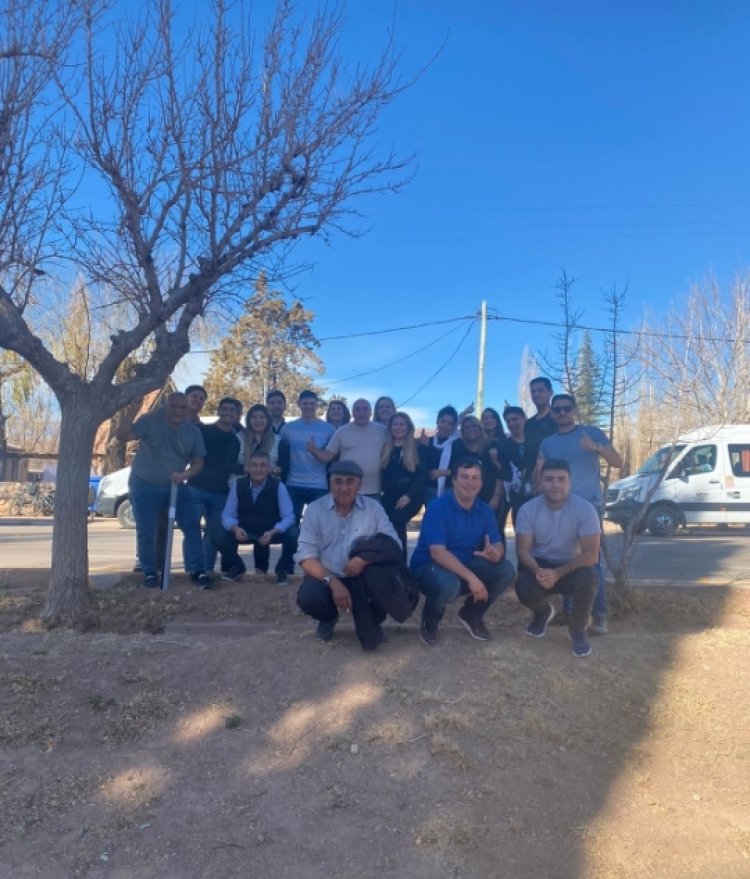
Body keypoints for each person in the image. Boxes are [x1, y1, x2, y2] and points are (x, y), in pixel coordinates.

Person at [295, 460, 412, 650]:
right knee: (309, 598)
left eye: (350, 482)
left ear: (359, 484)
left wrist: (364, 558)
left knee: (379, 580)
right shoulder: (315, 510)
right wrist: (333, 583)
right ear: (329, 483)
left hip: (362, 574)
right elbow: (305, 556)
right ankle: (329, 617)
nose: (344, 487)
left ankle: (373, 622)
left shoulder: (373, 508)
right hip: (328, 576)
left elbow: (394, 543)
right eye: (338, 481)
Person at [538, 392, 623, 635]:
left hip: (588, 504)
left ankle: (600, 617)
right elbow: (542, 470)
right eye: (557, 410)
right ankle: (570, 611)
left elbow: (617, 462)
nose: (562, 413)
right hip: (558, 506)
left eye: (566, 409)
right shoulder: (548, 442)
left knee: (590, 560)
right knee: (565, 557)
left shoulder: (591, 433)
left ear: (574, 410)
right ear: (552, 413)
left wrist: (595, 448)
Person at [410, 457, 516, 646]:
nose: (470, 483)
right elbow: (438, 553)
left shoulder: (485, 510)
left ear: (482, 482)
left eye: (476, 478)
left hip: (465, 563)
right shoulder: (438, 508)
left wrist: (495, 553)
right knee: (449, 585)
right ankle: (431, 619)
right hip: (429, 567)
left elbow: (497, 543)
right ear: (455, 480)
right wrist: (472, 578)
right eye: (465, 477)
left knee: (506, 570)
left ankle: (471, 614)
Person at [117, 392, 210, 588]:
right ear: (166, 406)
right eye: (173, 406)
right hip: (144, 484)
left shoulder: (192, 432)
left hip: (175, 485)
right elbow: (123, 435)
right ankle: (150, 572)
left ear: (187, 410)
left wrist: (185, 475)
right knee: (147, 530)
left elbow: (198, 462)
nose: (177, 411)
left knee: (191, 525)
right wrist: (132, 410)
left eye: (182, 408)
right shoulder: (150, 421)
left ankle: (198, 570)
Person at [514, 459, 600, 658]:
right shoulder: (527, 509)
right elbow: (523, 552)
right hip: (540, 565)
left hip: (570, 566)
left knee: (590, 578)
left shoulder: (585, 510)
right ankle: (543, 612)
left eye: (561, 479)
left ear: (570, 481)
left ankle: (578, 630)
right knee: (522, 584)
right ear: (540, 481)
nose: (555, 485)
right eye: (549, 479)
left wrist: (558, 572)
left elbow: (591, 555)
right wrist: (538, 571)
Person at [212, 450, 298, 585]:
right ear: (248, 468)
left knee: (294, 533)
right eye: (254, 465)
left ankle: (283, 570)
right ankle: (237, 566)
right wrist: (235, 528)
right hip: (246, 530)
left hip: (270, 531)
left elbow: (288, 517)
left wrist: (273, 531)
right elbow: (227, 515)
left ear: (269, 469)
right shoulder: (238, 485)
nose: (258, 469)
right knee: (218, 534)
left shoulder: (278, 486)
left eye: (263, 465)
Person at [187, 397, 242, 573]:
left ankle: (207, 571)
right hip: (196, 487)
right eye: (224, 409)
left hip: (221, 493)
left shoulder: (237, 438)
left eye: (231, 410)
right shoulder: (203, 431)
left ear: (237, 414)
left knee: (212, 535)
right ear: (219, 411)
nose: (227, 413)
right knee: (191, 531)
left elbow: (230, 464)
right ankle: (191, 570)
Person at [307, 398, 386, 498]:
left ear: (370, 412)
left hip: (374, 490)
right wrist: (314, 450)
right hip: (347, 490)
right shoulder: (342, 431)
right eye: (357, 409)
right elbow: (327, 456)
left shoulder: (382, 430)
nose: (361, 412)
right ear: (352, 413)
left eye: (365, 409)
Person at [278, 390, 335, 523]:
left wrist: (314, 450)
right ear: (299, 404)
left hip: (319, 485)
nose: (308, 406)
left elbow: (331, 457)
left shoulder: (328, 429)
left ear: (317, 405)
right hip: (293, 484)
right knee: (290, 527)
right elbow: (281, 455)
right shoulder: (287, 429)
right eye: (305, 403)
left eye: (312, 403)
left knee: (319, 526)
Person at [380, 411, 429, 557]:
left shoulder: (417, 447)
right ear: (390, 427)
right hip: (389, 496)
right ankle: (389, 565)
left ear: (408, 427)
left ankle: (401, 565)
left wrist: (408, 496)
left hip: (411, 496)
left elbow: (422, 475)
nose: (398, 427)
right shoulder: (385, 447)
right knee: (387, 528)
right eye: (395, 424)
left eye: (402, 424)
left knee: (397, 521)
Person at [500, 405, 535, 526]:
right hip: (517, 497)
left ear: (523, 418)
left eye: (514, 419)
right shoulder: (504, 445)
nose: (511, 423)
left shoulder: (536, 441)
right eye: (508, 421)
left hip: (538, 494)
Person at [422, 405, 461, 505]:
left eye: (449, 423)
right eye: (443, 421)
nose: (445, 426)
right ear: (437, 422)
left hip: (450, 490)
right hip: (429, 489)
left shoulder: (458, 444)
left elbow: (462, 467)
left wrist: (443, 472)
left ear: (454, 426)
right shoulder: (428, 442)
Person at [524, 376, 557, 466]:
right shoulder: (528, 424)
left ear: (551, 393)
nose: (536, 394)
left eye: (540, 390)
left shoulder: (557, 419)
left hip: (554, 474)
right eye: (533, 391)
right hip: (532, 477)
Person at [244, 403, 281, 473]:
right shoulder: (238, 438)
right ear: (249, 420)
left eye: (262, 417)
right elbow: (229, 464)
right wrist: (243, 469)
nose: (258, 420)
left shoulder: (278, 441)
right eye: (254, 417)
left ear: (268, 420)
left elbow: (284, 466)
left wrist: (276, 470)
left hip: (270, 481)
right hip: (241, 481)